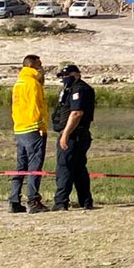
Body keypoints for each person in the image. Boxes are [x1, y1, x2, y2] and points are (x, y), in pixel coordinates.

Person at [51, 65, 96, 211]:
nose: (64, 78)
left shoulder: (80, 89)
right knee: (78, 169)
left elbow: (77, 113)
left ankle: (61, 202)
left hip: (74, 135)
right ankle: (85, 201)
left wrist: (65, 135)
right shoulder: (69, 89)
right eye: (62, 76)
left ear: (76, 74)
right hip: (74, 135)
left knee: (65, 168)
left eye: (66, 75)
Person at [9, 55, 50, 214]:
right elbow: (35, 107)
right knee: (34, 166)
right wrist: (41, 126)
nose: (41, 68)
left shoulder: (18, 82)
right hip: (33, 129)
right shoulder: (32, 83)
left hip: (19, 128)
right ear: (33, 65)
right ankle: (33, 200)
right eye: (39, 65)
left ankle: (14, 200)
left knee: (21, 166)